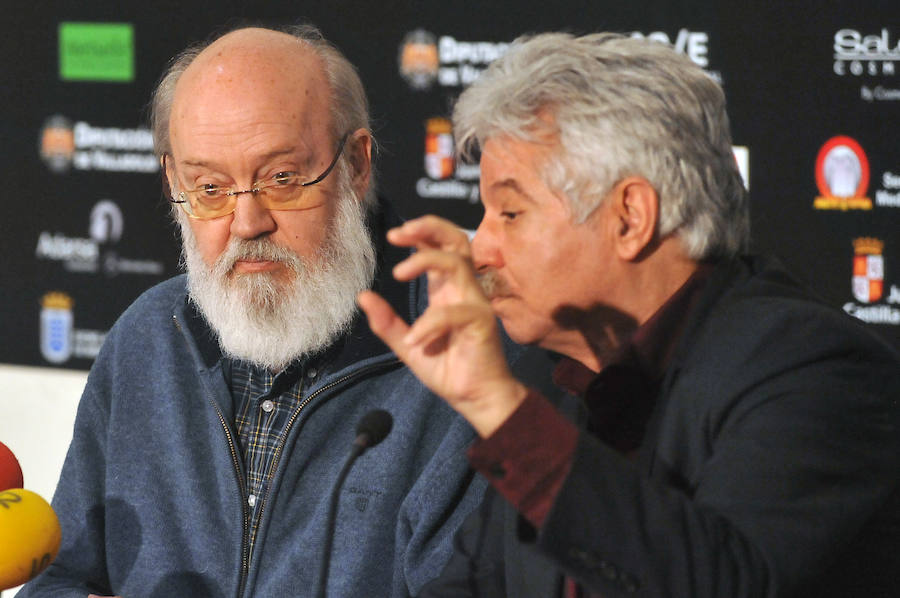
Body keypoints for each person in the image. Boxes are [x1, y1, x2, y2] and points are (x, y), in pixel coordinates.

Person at [358, 32, 900, 597]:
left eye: (511, 212)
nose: (479, 247)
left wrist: (497, 406)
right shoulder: (551, 383)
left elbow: (725, 581)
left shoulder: (813, 369)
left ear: (630, 217)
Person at [19, 25, 503, 598]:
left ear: (355, 164)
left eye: (281, 179)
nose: (247, 224)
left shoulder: (462, 357)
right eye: (209, 188)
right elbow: (63, 574)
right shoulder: (148, 337)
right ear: (174, 182)